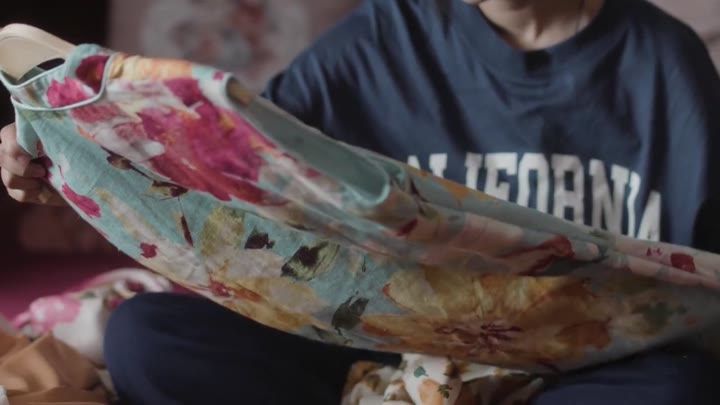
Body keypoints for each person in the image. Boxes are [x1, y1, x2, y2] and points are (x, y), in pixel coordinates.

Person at [2, 0, 720, 403]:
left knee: (681, 388)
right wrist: (68, 155)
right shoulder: (376, 41)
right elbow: (235, 175)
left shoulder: (664, 61)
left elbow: (696, 278)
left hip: (567, 373)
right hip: (369, 351)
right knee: (149, 336)